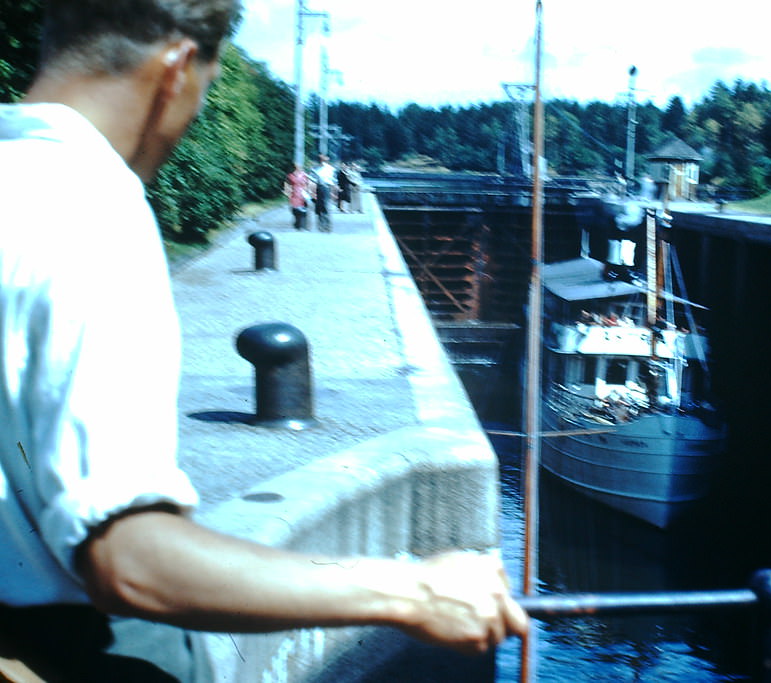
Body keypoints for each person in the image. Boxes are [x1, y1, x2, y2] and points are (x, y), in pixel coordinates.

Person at [0, 2, 527, 681]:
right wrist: (412, 589)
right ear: (178, 68)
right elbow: (127, 556)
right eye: (205, 90)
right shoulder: (95, 213)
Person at [284, 161, 311, 230]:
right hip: (294, 194)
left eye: (299, 167)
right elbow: (287, 184)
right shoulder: (290, 176)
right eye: (297, 167)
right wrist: (287, 192)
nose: (298, 168)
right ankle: (297, 223)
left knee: (304, 210)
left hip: (303, 194)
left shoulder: (304, 175)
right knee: (295, 210)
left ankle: (303, 225)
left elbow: (308, 184)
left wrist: (309, 192)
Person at [312, 153, 335, 232]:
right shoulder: (316, 168)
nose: (321, 159)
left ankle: (327, 226)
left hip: (326, 187)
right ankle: (321, 225)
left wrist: (333, 192)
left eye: (323, 157)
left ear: (327, 158)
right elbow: (313, 179)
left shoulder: (330, 169)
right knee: (319, 207)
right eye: (320, 158)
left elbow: (333, 181)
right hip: (318, 187)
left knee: (325, 206)